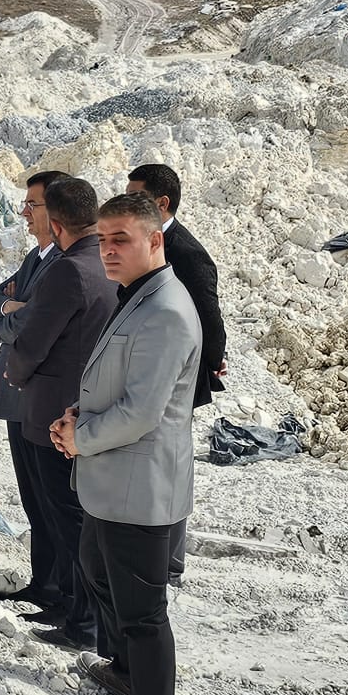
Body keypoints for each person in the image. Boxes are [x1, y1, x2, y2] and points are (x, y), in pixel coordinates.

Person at [49, 192, 202, 695]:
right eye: (104, 239)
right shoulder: (137, 295)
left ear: (155, 239)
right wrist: (77, 416)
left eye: (122, 240)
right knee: (97, 570)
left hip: (140, 487)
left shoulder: (165, 310)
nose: (108, 251)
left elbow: (141, 413)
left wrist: (78, 437)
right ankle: (126, 671)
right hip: (113, 479)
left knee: (143, 612)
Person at [0, 177, 116, 651]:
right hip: (88, 408)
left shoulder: (68, 270)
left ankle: (84, 622)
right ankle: (74, 608)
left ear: (59, 221)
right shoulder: (105, 262)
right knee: (73, 518)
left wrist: (15, 374)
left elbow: (33, 341)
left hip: (51, 411)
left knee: (65, 519)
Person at [125, 162, 227, 584]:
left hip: (177, 376)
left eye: (137, 195)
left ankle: (170, 561)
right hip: (152, 368)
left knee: (169, 463)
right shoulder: (144, 243)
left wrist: (210, 361)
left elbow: (208, 316)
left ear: (161, 203)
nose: (129, 201)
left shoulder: (186, 251)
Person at [0, 170, 68, 613]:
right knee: (33, 497)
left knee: (54, 501)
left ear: (55, 212)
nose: (24, 213)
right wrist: (10, 309)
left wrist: (16, 313)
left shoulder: (64, 264)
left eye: (31, 205)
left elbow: (31, 323)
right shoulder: (37, 258)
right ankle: (43, 581)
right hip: (20, 397)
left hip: (45, 399)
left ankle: (61, 593)